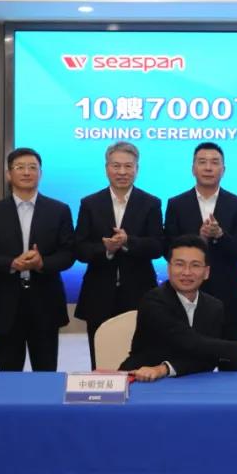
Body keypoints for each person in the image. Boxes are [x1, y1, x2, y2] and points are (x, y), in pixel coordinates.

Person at [120, 235, 237, 381]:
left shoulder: (214, 306)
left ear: (206, 272)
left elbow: (208, 358)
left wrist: (164, 369)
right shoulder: (153, 301)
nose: (186, 272)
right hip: (141, 380)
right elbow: (192, 342)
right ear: (169, 269)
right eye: (179, 264)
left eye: (195, 265)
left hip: (193, 381)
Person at [0, 148, 75, 372]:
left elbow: (68, 254)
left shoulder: (59, 210)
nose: (27, 172)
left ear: (40, 173)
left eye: (32, 168)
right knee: (9, 374)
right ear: (9, 174)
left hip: (45, 302)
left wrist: (42, 263)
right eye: (20, 167)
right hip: (5, 303)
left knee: (46, 373)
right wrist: (11, 263)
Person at [74, 141, 164, 369]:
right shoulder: (90, 203)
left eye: (128, 166)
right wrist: (106, 249)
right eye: (116, 166)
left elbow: (158, 246)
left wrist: (128, 242)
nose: (122, 172)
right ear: (107, 168)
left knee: (140, 357)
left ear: (137, 169)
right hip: (98, 293)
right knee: (101, 359)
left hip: (139, 292)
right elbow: (80, 248)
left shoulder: (151, 203)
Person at [163, 142, 237, 372]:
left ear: (223, 169)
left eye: (214, 162)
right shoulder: (176, 204)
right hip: (185, 296)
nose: (208, 168)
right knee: (187, 365)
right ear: (193, 168)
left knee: (229, 367)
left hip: (228, 296)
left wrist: (221, 235)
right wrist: (199, 238)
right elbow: (167, 249)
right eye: (202, 162)